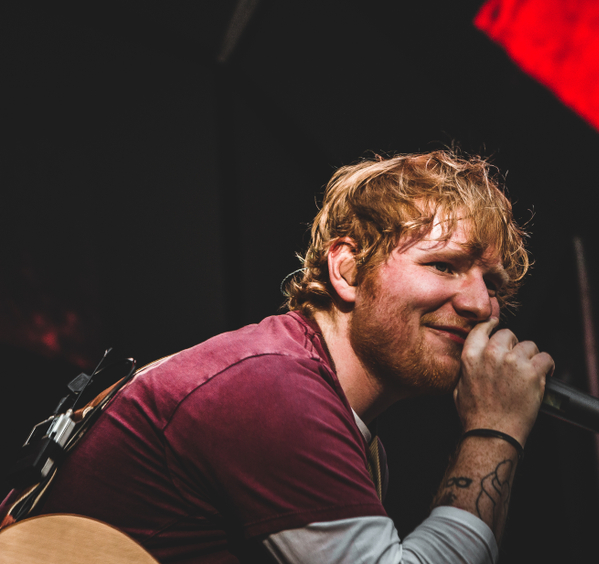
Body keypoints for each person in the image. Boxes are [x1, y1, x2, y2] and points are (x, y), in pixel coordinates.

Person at [34, 150, 555, 563]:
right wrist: (494, 430)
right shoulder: (272, 388)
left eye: (492, 284)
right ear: (347, 271)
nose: (479, 304)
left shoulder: (323, 407)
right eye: (443, 265)